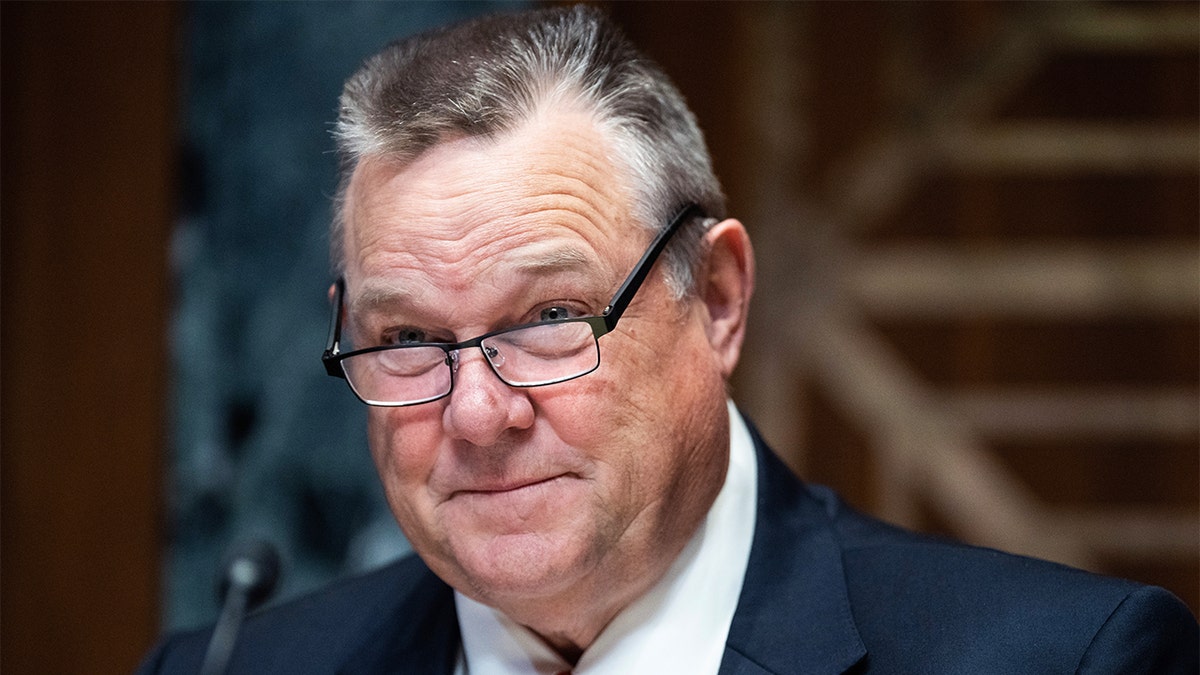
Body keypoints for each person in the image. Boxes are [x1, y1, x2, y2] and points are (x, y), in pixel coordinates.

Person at [140, 6, 1198, 673]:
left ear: (721, 298)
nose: (475, 414)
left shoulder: (1061, 662)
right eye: (409, 336)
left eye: (552, 319)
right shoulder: (224, 666)